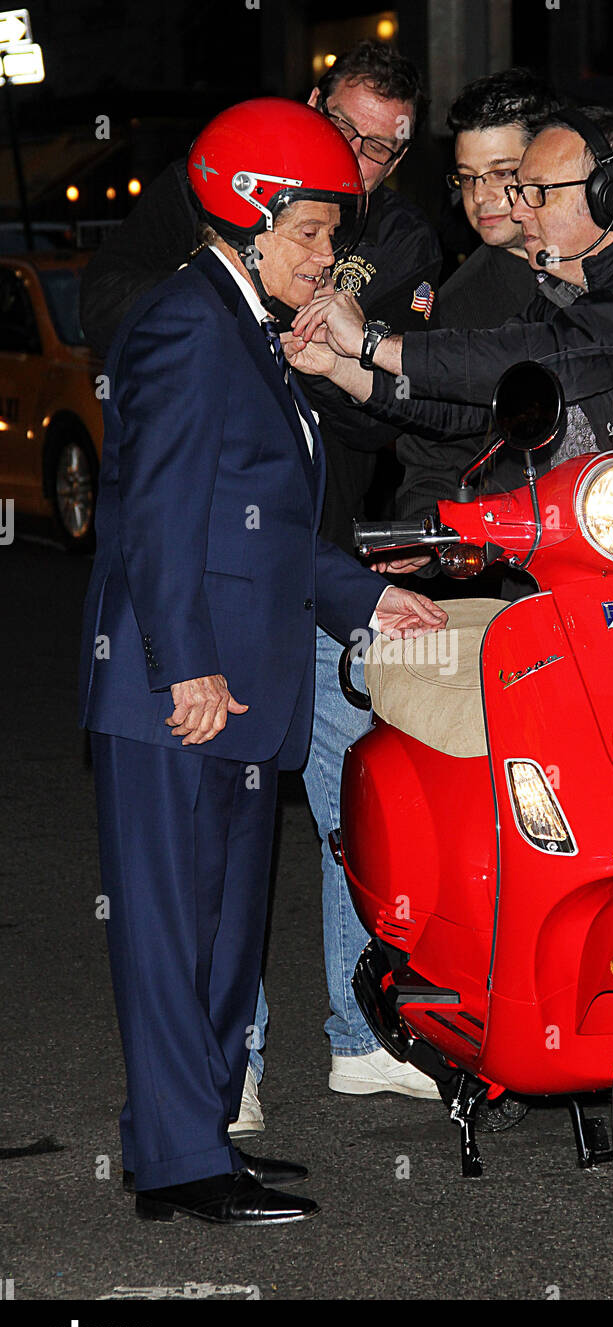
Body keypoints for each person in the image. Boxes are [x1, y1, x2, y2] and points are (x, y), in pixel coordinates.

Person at [287, 106, 613, 1068]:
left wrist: (376, 343)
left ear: (611, 197)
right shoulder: (576, 286)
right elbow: (496, 394)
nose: (518, 210)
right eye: (512, 191)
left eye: (539, 192)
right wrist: (353, 376)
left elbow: (551, 363)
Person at [78, 97, 446, 1225]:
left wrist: (365, 594)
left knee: (227, 935)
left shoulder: (249, 330)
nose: (328, 259)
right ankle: (182, 1165)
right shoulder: (190, 324)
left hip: (241, 682)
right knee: (172, 936)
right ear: (246, 221)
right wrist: (185, 666)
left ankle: (189, 1147)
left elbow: (267, 523)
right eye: (311, 235)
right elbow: (157, 511)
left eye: (332, 237)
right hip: (177, 689)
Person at [390, 69, 556, 577]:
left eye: (502, 174)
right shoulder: (456, 305)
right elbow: (431, 452)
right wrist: (423, 535)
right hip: (524, 571)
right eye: (467, 177)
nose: (481, 197)